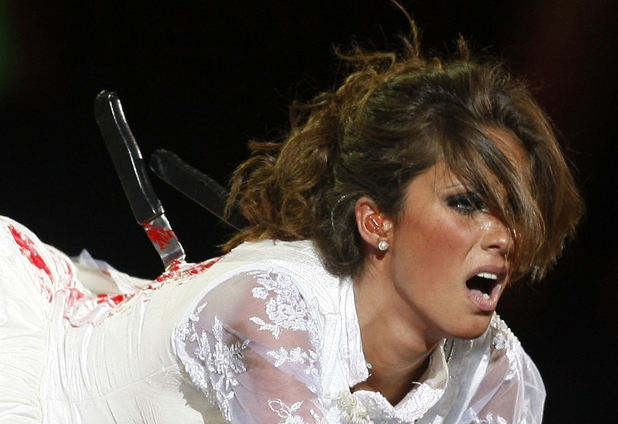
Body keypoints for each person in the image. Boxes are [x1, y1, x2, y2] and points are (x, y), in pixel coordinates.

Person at [0, 22, 582, 424]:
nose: (503, 236)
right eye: (466, 203)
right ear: (376, 221)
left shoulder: (492, 371)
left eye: (514, 210)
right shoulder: (272, 317)